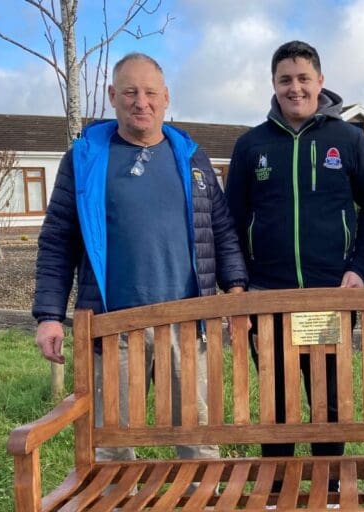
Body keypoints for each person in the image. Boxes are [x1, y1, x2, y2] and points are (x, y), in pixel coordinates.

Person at [32, 52, 248, 463]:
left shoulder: (192, 157)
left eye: (150, 92)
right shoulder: (86, 159)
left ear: (166, 97)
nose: (141, 102)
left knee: (198, 442)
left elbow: (220, 230)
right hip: (115, 326)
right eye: (130, 92)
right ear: (113, 96)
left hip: (187, 323)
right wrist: (48, 315)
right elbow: (58, 240)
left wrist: (236, 290)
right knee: (112, 445)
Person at [225, 41, 364, 464]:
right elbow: (232, 220)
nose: (295, 88)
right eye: (285, 80)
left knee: (326, 401)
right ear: (274, 85)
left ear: (321, 82)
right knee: (277, 402)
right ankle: (278, 490)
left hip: (325, 299)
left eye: (303, 78)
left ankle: (329, 489)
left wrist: (360, 268)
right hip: (269, 296)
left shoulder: (349, 141)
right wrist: (238, 283)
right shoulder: (251, 145)